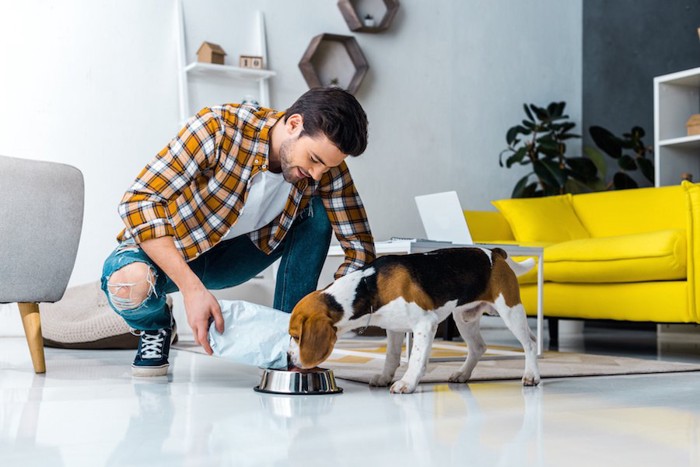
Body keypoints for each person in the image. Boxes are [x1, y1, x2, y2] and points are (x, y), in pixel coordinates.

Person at [100, 87, 376, 377]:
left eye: (328, 166)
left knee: (317, 213)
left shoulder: (324, 170)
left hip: (236, 258)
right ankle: (156, 326)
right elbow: (139, 200)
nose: (318, 174)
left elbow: (359, 248)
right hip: (176, 251)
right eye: (315, 160)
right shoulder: (217, 128)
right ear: (294, 124)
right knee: (127, 285)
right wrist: (191, 290)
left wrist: (331, 311)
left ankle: (289, 343)